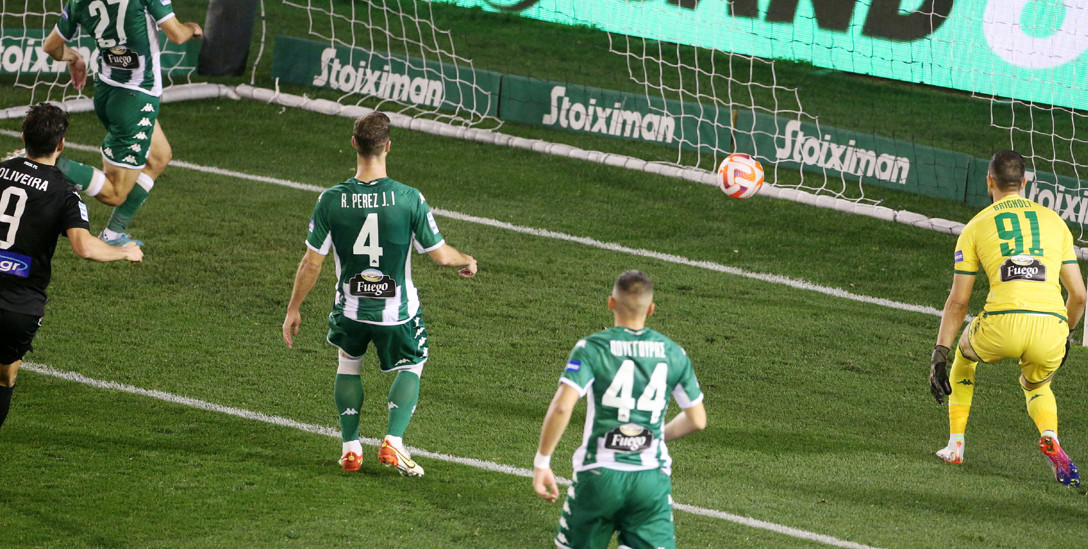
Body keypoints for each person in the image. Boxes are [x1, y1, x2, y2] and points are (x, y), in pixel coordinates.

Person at [282, 111, 477, 477]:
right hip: (396, 313)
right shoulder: (408, 198)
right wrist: (467, 259)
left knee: (347, 364)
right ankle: (393, 440)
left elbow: (311, 263)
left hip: (350, 310)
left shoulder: (330, 200)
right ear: (388, 146)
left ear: (354, 144)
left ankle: (350, 447)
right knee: (413, 364)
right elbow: (440, 255)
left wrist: (294, 308)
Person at [929, 149, 1086, 487]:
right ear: (1024, 182)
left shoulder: (975, 227)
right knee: (1038, 385)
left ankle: (955, 445)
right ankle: (1049, 435)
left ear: (990, 182)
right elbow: (1080, 296)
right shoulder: (1055, 222)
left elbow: (959, 301)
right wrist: (1066, 335)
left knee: (964, 356)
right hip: (1051, 326)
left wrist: (940, 351)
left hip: (1003, 323)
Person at [533, 270, 707, 549]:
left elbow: (563, 407)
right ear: (651, 309)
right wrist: (654, 436)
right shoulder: (673, 352)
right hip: (651, 479)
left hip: (598, 476)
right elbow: (697, 420)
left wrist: (542, 462)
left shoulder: (591, 348)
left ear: (611, 303)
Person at [0, 103, 143, 432]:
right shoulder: (65, 192)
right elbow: (85, 247)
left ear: (23, 138)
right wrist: (124, 251)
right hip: (18, 305)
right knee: (5, 377)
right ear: (61, 144)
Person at [37, 0, 202, 246]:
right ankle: (49, 162)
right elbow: (177, 35)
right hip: (136, 99)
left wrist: (73, 57)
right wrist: (193, 28)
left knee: (159, 156)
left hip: (106, 92)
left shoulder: (78, 2)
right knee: (115, 193)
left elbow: (50, 46)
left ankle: (113, 234)